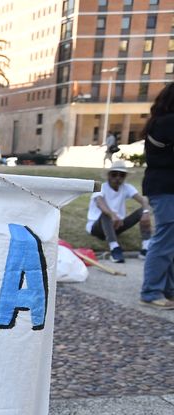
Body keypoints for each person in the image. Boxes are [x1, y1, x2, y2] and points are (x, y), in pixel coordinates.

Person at [139, 83, 174, 309]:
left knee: (169, 242)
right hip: (166, 188)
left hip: (163, 187)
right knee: (164, 241)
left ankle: (166, 290)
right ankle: (151, 291)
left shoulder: (161, 121)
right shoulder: (169, 122)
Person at [86, 160, 152, 263]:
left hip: (117, 225)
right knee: (105, 213)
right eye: (114, 174)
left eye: (121, 175)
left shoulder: (126, 188)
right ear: (108, 175)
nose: (117, 178)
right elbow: (100, 202)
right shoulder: (101, 187)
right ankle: (114, 248)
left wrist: (146, 212)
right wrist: (112, 215)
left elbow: (143, 200)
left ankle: (146, 247)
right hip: (97, 227)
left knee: (143, 211)